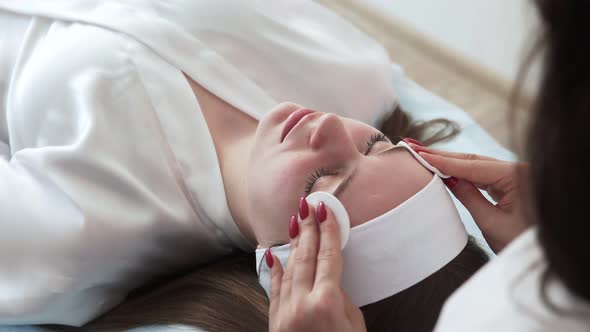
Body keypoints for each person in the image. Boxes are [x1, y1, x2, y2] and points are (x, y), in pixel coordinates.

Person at [0, 0, 485, 327]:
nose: (333, 128)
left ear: (281, 268)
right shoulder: (355, 76)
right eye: (375, 144)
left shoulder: (82, 234)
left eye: (326, 181)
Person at [261, 0, 590, 331]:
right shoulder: (356, 70)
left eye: (319, 182)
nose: (330, 121)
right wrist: (559, 241)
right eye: (376, 144)